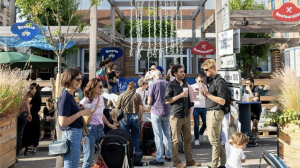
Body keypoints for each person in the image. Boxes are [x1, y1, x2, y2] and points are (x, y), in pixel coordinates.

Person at [165, 65, 201, 168]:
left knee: (188, 139)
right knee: (175, 141)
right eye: (180, 72)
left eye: (183, 71)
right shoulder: (171, 85)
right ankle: (176, 161)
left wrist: (190, 109)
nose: (183, 73)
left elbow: (188, 99)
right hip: (176, 115)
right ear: (175, 74)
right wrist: (180, 96)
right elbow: (167, 100)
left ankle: (189, 161)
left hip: (186, 115)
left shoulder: (185, 84)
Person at [57, 68, 93, 168]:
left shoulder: (69, 96)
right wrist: (81, 112)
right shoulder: (65, 97)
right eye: (77, 79)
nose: (80, 82)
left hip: (74, 134)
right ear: (69, 79)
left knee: (72, 164)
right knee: (71, 165)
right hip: (71, 134)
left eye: (81, 79)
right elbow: (62, 122)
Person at [80, 78, 116, 168]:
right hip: (89, 130)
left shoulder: (100, 99)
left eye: (102, 86)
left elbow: (101, 114)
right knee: (88, 158)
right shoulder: (85, 101)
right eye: (100, 86)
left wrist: (109, 124)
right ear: (92, 87)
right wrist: (82, 134)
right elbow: (79, 117)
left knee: (105, 153)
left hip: (100, 129)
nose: (102, 88)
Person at [201, 59, 226, 168]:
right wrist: (205, 94)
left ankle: (214, 165)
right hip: (212, 112)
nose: (205, 72)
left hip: (215, 112)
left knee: (214, 141)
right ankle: (223, 164)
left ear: (212, 68)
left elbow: (222, 100)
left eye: (206, 70)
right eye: (204, 70)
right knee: (216, 140)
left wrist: (208, 94)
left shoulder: (219, 81)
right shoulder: (213, 80)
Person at [148, 70, 172, 165]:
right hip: (166, 111)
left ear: (154, 76)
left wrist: (148, 103)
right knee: (167, 134)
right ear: (161, 75)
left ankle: (159, 158)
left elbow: (149, 101)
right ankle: (168, 155)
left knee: (158, 135)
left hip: (156, 111)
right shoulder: (168, 83)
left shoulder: (152, 85)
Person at [116, 82, 143, 152]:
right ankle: (136, 154)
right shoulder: (137, 95)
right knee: (136, 137)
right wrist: (141, 117)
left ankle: (126, 154)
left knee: (125, 137)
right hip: (135, 116)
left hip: (125, 117)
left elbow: (117, 107)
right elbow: (141, 107)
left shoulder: (122, 95)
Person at [20, 83, 42, 155]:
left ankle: (25, 148)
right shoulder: (36, 96)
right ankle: (32, 148)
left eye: (32, 88)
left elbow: (30, 106)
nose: (30, 89)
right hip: (34, 116)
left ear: (36, 88)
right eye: (30, 88)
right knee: (34, 132)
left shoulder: (36, 96)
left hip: (33, 116)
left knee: (28, 132)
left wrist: (28, 112)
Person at [191, 74, 207, 146]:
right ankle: (196, 139)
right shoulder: (192, 86)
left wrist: (203, 92)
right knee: (196, 123)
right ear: (196, 80)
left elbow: (207, 97)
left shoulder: (204, 86)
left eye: (202, 81)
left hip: (203, 106)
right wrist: (195, 94)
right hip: (196, 106)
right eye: (199, 80)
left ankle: (200, 133)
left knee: (205, 123)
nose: (200, 82)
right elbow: (190, 97)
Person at [16, 91, 31, 161]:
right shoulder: (24, 92)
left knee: (14, 135)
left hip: (15, 114)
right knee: (19, 135)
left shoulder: (13, 91)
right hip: (23, 114)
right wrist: (29, 114)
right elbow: (27, 103)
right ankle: (16, 156)